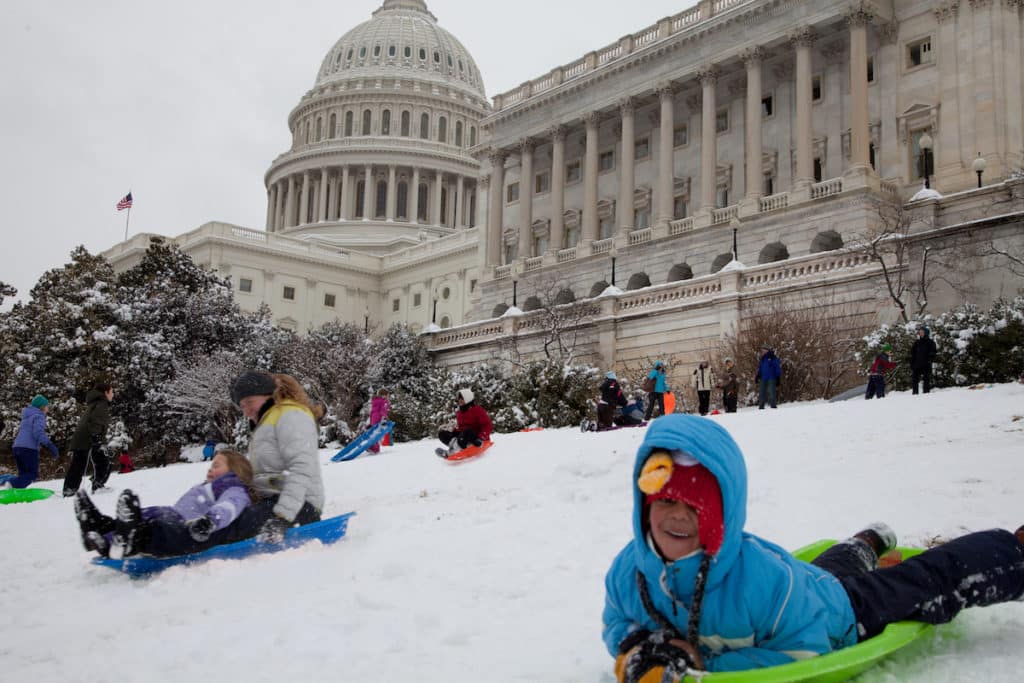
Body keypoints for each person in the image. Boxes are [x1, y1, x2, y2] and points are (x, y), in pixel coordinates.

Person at [602, 415, 1024, 680]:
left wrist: (706, 667)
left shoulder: (762, 581)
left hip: (837, 615)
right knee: (831, 568)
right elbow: (616, 621)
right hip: (807, 588)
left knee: (928, 580)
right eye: (666, 502)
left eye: (695, 508)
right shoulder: (629, 572)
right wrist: (637, 647)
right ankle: (866, 542)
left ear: (723, 516)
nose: (677, 518)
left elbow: (808, 650)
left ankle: (1014, 552)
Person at [73, 450, 254, 558]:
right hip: (174, 515)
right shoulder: (210, 486)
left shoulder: (234, 488)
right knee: (142, 517)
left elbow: (230, 507)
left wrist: (211, 520)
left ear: (235, 470)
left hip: (183, 524)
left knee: (146, 523)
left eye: (216, 465)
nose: (210, 468)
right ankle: (100, 529)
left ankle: (115, 540)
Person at [63, 382, 114, 497]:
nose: (113, 394)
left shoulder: (95, 402)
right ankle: (97, 486)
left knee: (80, 464)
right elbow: (96, 421)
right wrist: (97, 438)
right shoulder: (102, 403)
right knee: (103, 461)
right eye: (111, 392)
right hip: (88, 437)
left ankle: (70, 489)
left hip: (83, 437)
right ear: (105, 393)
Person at [7, 395, 59, 489]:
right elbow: (38, 433)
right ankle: (12, 484)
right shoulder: (39, 416)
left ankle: (17, 491)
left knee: (24, 474)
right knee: (32, 474)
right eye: (47, 406)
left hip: (17, 447)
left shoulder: (26, 417)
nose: (48, 408)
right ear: (42, 407)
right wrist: (50, 445)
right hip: (28, 449)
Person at [437, 388, 492, 457]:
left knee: (467, 431)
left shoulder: (477, 410)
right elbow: (461, 428)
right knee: (442, 433)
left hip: (476, 438)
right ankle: (455, 447)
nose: (460, 401)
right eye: (459, 399)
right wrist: (454, 432)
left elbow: (487, 425)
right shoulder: (459, 412)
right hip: (465, 437)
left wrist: (481, 438)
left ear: (467, 398)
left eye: (462, 398)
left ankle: (452, 452)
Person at [909, 326, 937, 395]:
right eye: (920, 332)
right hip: (917, 365)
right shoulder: (917, 342)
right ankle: (915, 394)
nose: (920, 333)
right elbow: (912, 353)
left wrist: (929, 359)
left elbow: (933, 352)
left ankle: (926, 394)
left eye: (922, 332)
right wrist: (912, 363)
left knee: (926, 380)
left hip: (926, 364)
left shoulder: (930, 342)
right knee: (915, 380)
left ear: (926, 333)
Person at [367, 388, 391, 454]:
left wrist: (371, 421)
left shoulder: (375, 400)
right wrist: (385, 418)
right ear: (384, 395)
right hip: (379, 418)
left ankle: (371, 447)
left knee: (374, 433)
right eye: (387, 395)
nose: (387, 397)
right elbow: (383, 410)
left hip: (373, 418)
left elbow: (372, 411)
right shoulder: (384, 401)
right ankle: (374, 449)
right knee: (377, 434)